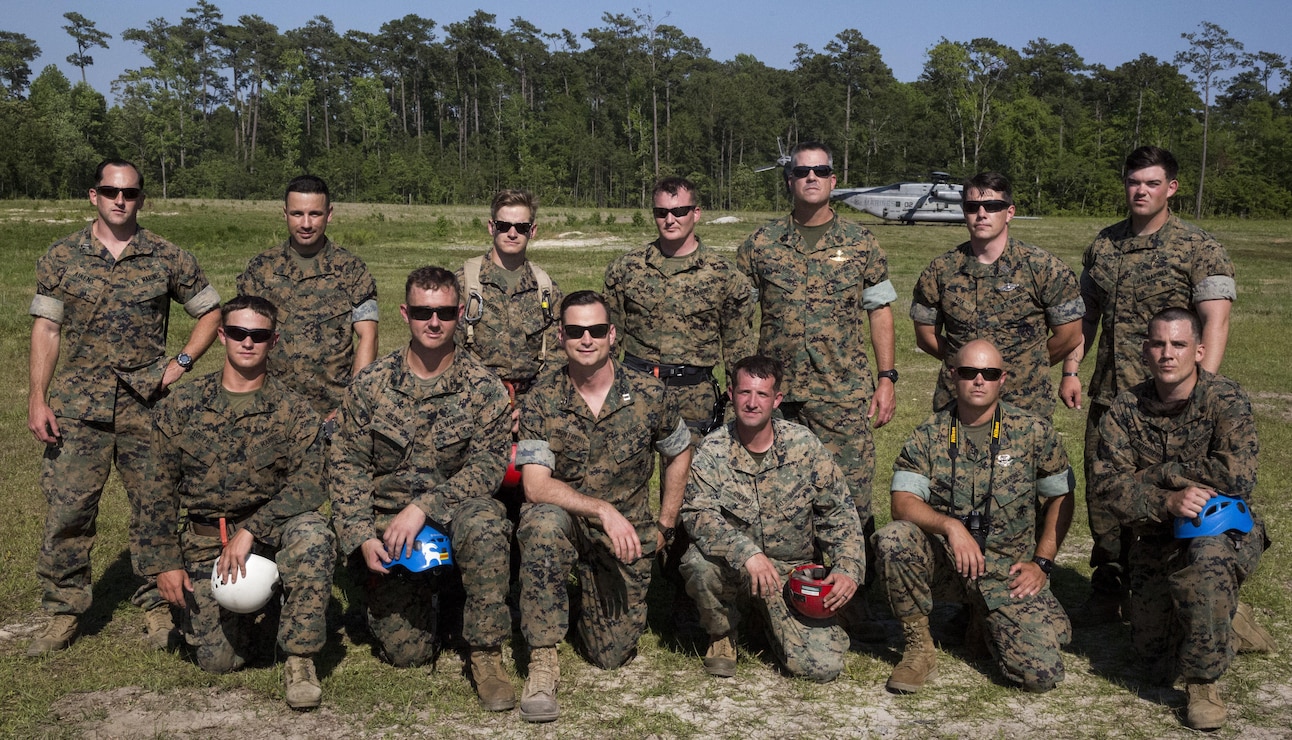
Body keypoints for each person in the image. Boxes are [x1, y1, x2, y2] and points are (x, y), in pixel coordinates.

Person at [27, 159, 222, 656]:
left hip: (146, 406)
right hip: (77, 408)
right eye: (111, 191)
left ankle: (158, 605)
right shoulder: (62, 255)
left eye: (131, 193)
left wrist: (179, 363)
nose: (121, 200)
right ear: (94, 195)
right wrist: (36, 397)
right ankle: (63, 611)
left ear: (141, 198)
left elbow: (210, 310)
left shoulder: (166, 256)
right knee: (68, 511)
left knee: (155, 510)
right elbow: (47, 329)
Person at [1062, 146, 1240, 626]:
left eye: (1152, 183)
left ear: (1171, 188)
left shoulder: (1200, 247)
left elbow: (1215, 322)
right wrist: (1072, 370)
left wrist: (1204, 391)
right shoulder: (1104, 245)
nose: (1140, 191)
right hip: (1110, 394)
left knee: (1171, 487)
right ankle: (1108, 582)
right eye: (1133, 182)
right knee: (1106, 492)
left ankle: (1175, 583)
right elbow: (1086, 316)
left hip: (1169, 402)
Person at [328, 266, 515, 711]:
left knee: (487, 522)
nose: (434, 322)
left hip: (454, 521)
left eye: (446, 312)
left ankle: (486, 653)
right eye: (423, 312)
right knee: (407, 655)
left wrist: (424, 506)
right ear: (405, 313)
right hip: (389, 531)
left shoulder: (483, 388)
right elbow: (346, 462)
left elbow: (489, 465)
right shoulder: (371, 385)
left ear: (460, 314)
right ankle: (429, 598)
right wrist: (360, 535)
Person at [136, 296, 333, 708]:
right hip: (207, 542)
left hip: (270, 539)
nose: (248, 343)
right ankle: (270, 613)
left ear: (273, 341)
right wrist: (165, 564)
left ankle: (300, 658)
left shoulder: (293, 410)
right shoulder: (183, 407)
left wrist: (252, 530)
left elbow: (311, 484)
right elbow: (155, 492)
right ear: (222, 335)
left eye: (259, 335)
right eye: (239, 333)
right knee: (219, 661)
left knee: (313, 533)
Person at [736, 140, 897, 639]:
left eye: (820, 170)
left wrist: (887, 377)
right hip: (776, 397)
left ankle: (856, 599)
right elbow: (740, 314)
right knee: (774, 496)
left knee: (852, 497)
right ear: (789, 180)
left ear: (833, 180)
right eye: (801, 171)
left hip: (841, 391)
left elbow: (880, 311)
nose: (810, 178)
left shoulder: (861, 242)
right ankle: (779, 595)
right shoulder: (760, 244)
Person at [513, 291, 692, 723]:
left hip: (625, 534)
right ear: (561, 337)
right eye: (575, 331)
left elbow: (679, 451)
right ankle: (542, 658)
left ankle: (580, 603)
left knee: (610, 654)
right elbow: (535, 487)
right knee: (542, 522)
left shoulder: (650, 394)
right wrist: (601, 510)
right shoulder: (541, 398)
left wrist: (665, 524)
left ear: (612, 334)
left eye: (596, 330)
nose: (586, 339)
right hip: (570, 522)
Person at [1093, 308, 1268, 731]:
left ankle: (1203, 684)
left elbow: (1238, 477)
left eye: (1178, 344)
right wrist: (1167, 499)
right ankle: (1228, 618)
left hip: (1221, 530)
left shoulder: (1225, 399)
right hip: (1156, 534)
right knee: (1152, 663)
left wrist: (1152, 475)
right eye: (1158, 344)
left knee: (1207, 559)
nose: (1167, 354)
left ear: (1199, 350)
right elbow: (1107, 486)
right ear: (1145, 349)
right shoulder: (1125, 408)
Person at [874, 339, 1075, 694]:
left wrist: (1041, 563)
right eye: (968, 372)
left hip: (1006, 571)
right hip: (949, 564)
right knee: (894, 538)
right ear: (953, 376)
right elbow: (902, 502)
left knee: (1040, 674)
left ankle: (982, 621)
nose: (978, 380)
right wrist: (950, 526)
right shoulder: (929, 435)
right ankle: (919, 649)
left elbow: (1061, 495)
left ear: (1003, 379)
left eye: (989, 373)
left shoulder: (1033, 432)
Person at [680, 355, 862, 683]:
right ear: (732, 394)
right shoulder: (712, 450)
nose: (752, 403)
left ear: (777, 400)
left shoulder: (804, 446)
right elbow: (697, 515)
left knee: (820, 669)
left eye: (762, 394)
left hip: (792, 576)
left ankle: (775, 623)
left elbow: (839, 511)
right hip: (737, 571)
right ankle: (722, 634)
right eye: (744, 393)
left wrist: (848, 568)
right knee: (698, 564)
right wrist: (746, 553)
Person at [911, 172, 1083, 417]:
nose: (981, 214)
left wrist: (1028, 364)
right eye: (972, 207)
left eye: (992, 206)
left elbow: (1070, 335)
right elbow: (925, 336)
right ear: (964, 212)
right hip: (959, 404)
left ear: (1009, 212)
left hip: (1025, 403)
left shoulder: (1043, 268)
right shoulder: (940, 270)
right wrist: (964, 365)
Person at [237, 174, 378, 424]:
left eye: (315, 214)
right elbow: (242, 339)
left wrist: (351, 404)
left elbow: (368, 336)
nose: (306, 223)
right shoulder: (261, 269)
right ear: (285, 213)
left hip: (332, 413)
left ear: (329, 214)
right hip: (269, 410)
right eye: (297, 214)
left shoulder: (351, 270)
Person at [456, 188, 562, 420]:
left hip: (532, 409)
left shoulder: (545, 288)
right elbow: (449, 353)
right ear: (491, 227)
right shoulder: (464, 284)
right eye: (504, 226)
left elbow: (557, 357)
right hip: (474, 407)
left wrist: (532, 407)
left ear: (532, 231)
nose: (512, 233)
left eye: (521, 227)